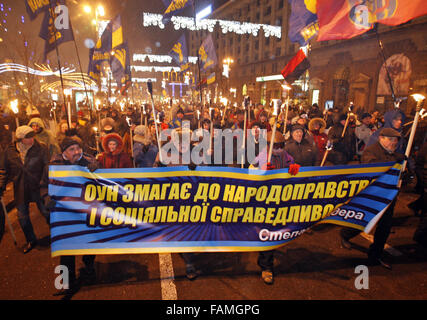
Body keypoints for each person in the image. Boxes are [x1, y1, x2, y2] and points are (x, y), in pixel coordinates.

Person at [340, 128, 405, 269]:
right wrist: (395, 160)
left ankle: (376, 254)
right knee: (365, 220)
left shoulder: (395, 154)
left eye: (395, 140)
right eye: (390, 139)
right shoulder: (371, 151)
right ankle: (345, 234)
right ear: (381, 138)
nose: (393, 142)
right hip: (374, 195)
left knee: (384, 227)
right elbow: (374, 167)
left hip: (389, 195)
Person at [45, 136, 99, 295]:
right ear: (64, 153)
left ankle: (89, 268)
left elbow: (103, 181)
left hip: (85, 210)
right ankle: (66, 282)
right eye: (72, 149)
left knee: (89, 241)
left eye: (78, 148)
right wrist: (46, 198)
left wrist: (96, 168)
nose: (77, 152)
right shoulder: (54, 166)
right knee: (65, 247)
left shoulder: (89, 161)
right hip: (64, 212)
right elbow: (44, 185)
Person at [0, 126, 50, 253]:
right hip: (20, 187)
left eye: (32, 136)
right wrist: (1, 186)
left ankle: (57, 233)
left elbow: (47, 166)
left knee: (46, 211)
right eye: (28, 137)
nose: (32, 139)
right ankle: (31, 239)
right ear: (20, 139)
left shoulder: (41, 148)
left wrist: (45, 181)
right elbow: (3, 170)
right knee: (22, 216)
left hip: (38, 185)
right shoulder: (10, 151)